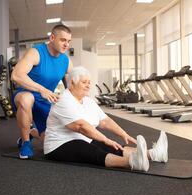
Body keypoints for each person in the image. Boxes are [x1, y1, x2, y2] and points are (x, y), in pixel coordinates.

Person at [43, 67, 168, 171]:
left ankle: (154, 154)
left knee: (112, 147)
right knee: (90, 149)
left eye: (89, 82)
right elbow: (80, 127)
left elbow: (105, 121)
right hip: (58, 145)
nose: (88, 85)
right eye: (84, 82)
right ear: (71, 83)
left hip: (82, 138)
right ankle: (133, 162)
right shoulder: (63, 100)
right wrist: (105, 139)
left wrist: (124, 134)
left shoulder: (88, 101)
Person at [11, 24, 73, 159]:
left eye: (68, 41)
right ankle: (26, 143)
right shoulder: (36, 52)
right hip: (25, 94)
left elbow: (71, 86)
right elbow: (16, 75)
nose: (66, 44)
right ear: (52, 38)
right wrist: (42, 89)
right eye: (63, 40)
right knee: (26, 99)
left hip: (45, 100)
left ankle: (30, 133)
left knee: (51, 142)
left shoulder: (66, 61)